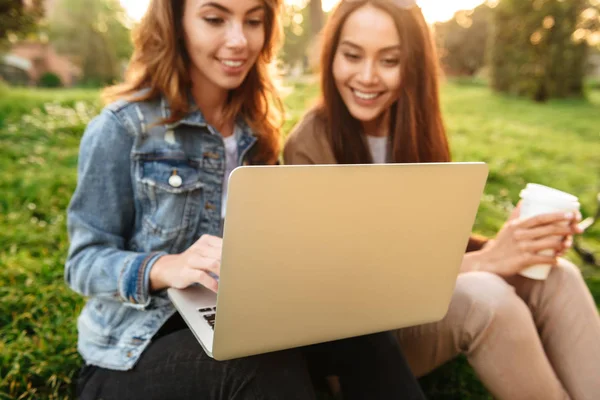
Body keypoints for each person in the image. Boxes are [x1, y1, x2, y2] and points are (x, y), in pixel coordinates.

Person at [65, 0, 427, 399]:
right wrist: (167, 266)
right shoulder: (123, 128)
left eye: (253, 21)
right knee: (259, 365)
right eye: (215, 19)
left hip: (232, 322)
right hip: (133, 352)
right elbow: (83, 262)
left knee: (364, 328)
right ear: (176, 23)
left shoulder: (256, 132)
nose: (238, 40)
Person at [283, 1, 600, 399]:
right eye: (351, 55)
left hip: (420, 307)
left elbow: (429, 248)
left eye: (389, 60)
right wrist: (487, 260)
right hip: (356, 345)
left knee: (557, 275)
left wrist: (516, 244)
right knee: (488, 299)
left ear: (412, 64)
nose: (366, 77)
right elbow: (347, 289)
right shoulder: (309, 145)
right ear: (332, 57)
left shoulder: (412, 127)